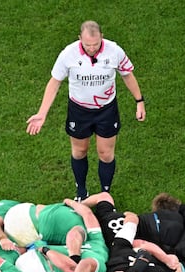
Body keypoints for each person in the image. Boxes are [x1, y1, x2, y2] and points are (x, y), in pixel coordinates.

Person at [26, 20, 146, 200]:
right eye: (87, 45)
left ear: (102, 38)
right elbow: (54, 82)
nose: (91, 48)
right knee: (79, 151)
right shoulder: (68, 54)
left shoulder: (114, 51)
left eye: (96, 44)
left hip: (106, 109)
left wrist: (139, 101)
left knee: (106, 153)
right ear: (79, 39)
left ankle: (105, 194)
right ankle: (81, 192)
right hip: (79, 110)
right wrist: (42, 113)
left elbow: (127, 75)